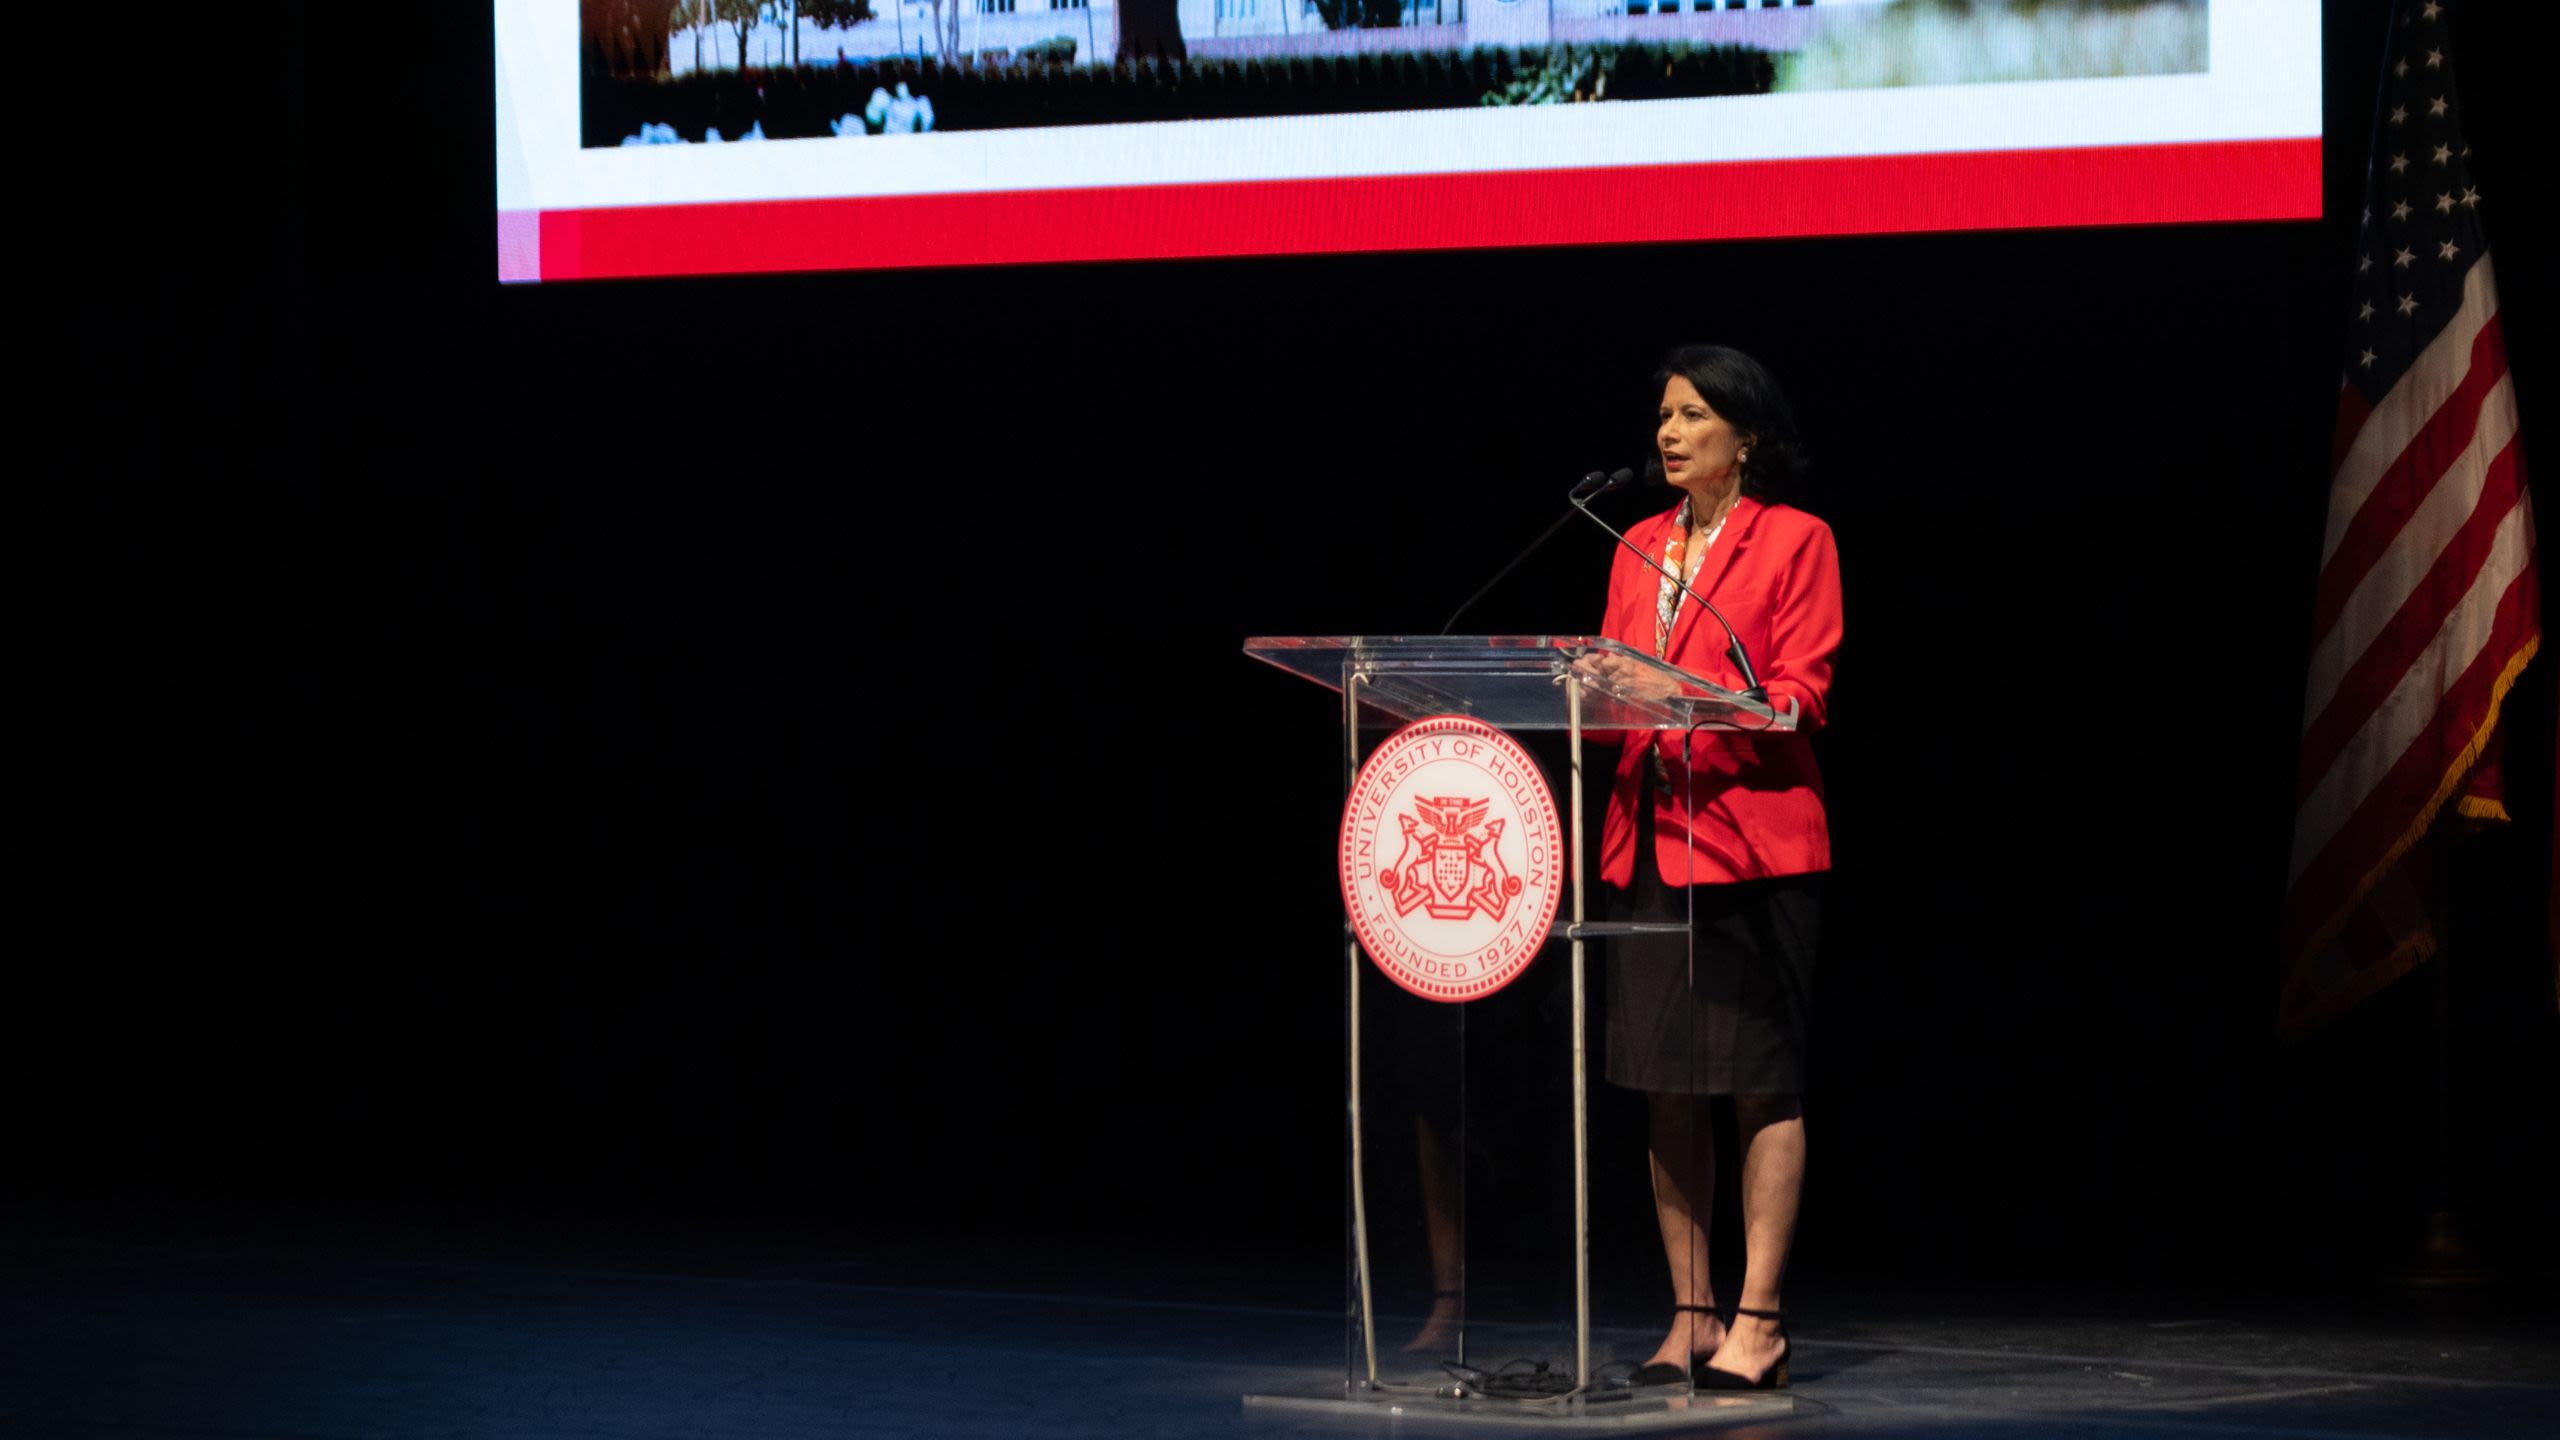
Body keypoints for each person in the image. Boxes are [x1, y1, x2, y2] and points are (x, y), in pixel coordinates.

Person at [1581, 344, 1839, 1391]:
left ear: (1747, 436)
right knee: (1664, 1086)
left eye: (1690, 416)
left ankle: (1758, 1320)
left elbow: (1799, 691)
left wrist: (1693, 698)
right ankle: (1689, 1316)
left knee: (1754, 1085)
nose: (1667, 434)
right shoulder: (1635, 544)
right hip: (1647, 840)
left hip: (1748, 843)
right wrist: (1599, 686)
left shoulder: (1796, 539)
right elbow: (1604, 697)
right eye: (1662, 418)